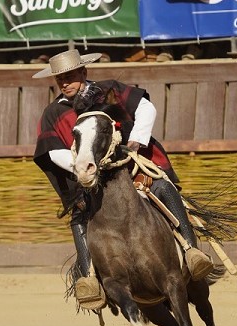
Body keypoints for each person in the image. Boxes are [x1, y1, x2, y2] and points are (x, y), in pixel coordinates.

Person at [31, 49, 215, 311]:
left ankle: (191, 252)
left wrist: (137, 139)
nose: (64, 83)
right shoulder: (52, 113)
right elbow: (52, 151)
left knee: (163, 187)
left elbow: (145, 107)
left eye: (69, 76)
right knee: (80, 220)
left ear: (84, 72)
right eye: (59, 78)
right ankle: (91, 282)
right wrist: (84, 166)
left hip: (131, 166)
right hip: (92, 180)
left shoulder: (110, 91)